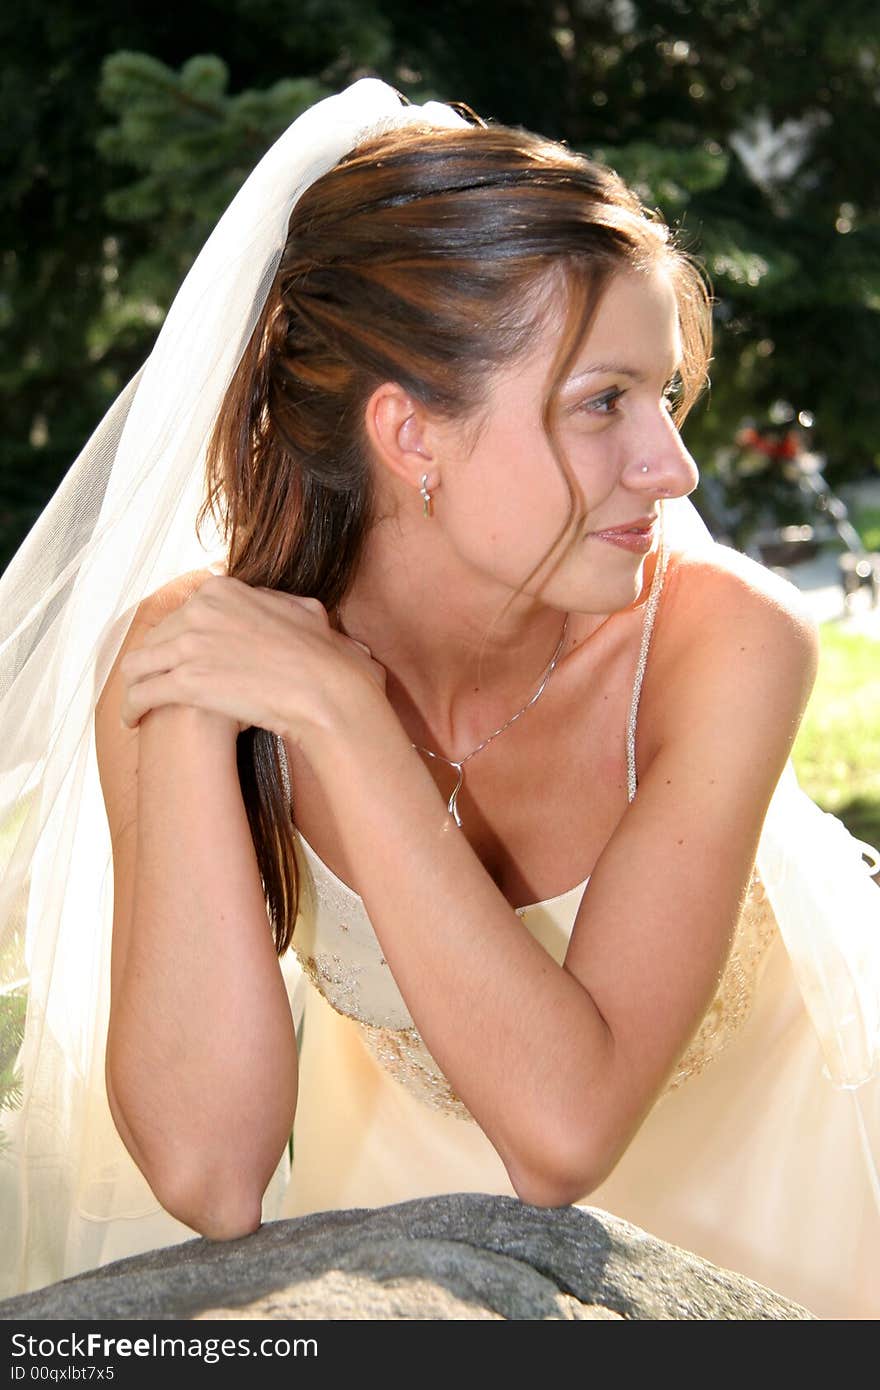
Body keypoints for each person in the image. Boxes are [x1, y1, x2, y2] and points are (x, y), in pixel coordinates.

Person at [0, 78, 878, 1319]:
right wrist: (201, 728)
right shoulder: (205, 662)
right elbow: (208, 1173)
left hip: (786, 1228)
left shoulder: (724, 639)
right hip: (424, 1260)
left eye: (664, 395)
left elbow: (564, 1137)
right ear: (411, 437)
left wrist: (350, 725)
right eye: (602, 403)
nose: (672, 465)